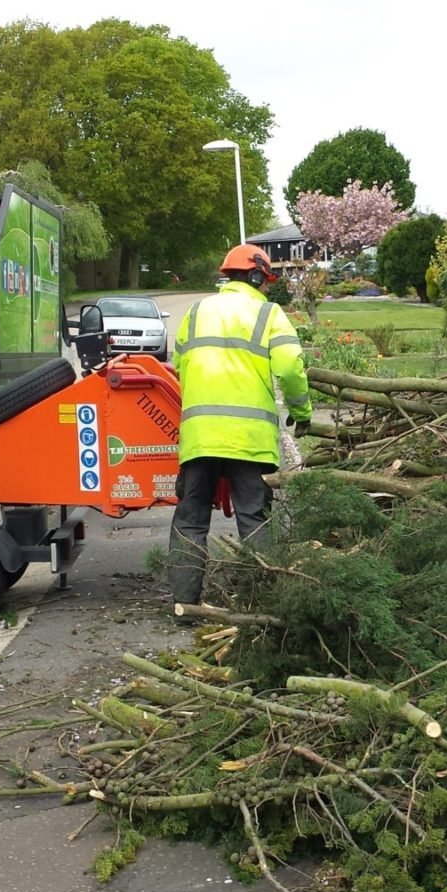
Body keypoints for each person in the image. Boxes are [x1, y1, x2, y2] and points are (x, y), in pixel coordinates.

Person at [167, 243, 313, 622]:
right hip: (249, 441)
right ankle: (263, 606)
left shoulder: (197, 312)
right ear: (254, 276)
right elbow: (291, 368)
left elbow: (180, 364)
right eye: (265, 281)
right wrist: (302, 412)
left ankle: (185, 607)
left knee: (190, 520)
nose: (267, 288)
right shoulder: (268, 314)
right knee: (255, 519)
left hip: (200, 438)